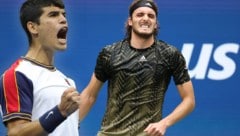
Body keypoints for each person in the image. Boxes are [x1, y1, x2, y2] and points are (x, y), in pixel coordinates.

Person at [79, 0, 195, 136]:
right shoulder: (110, 53)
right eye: (140, 14)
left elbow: (189, 100)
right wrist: (70, 124)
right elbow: (89, 95)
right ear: (130, 21)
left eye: (151, 16)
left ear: (156, 24)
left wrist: (164, 123)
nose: (146, 18)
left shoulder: (170, 54)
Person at [0, 0, 81, 135]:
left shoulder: (67, 81)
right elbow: (15, 132)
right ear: (33, 27)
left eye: (64, 15)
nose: (63, 20)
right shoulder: (16, 75)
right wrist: (60, 112)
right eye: (53, 15)